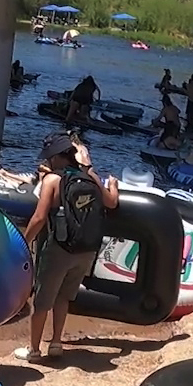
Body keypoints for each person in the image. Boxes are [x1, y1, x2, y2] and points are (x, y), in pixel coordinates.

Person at [18, 133, 119, 362]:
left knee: (42, 300)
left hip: (59, 249)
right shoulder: (90, 175)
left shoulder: (52, 181)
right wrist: (112, 185)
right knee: (64, 297)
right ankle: (55, 343)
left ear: (55, 157)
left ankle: (33, 349)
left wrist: (23, 242)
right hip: (86, 249)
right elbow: (111, 202)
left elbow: (39, 218)